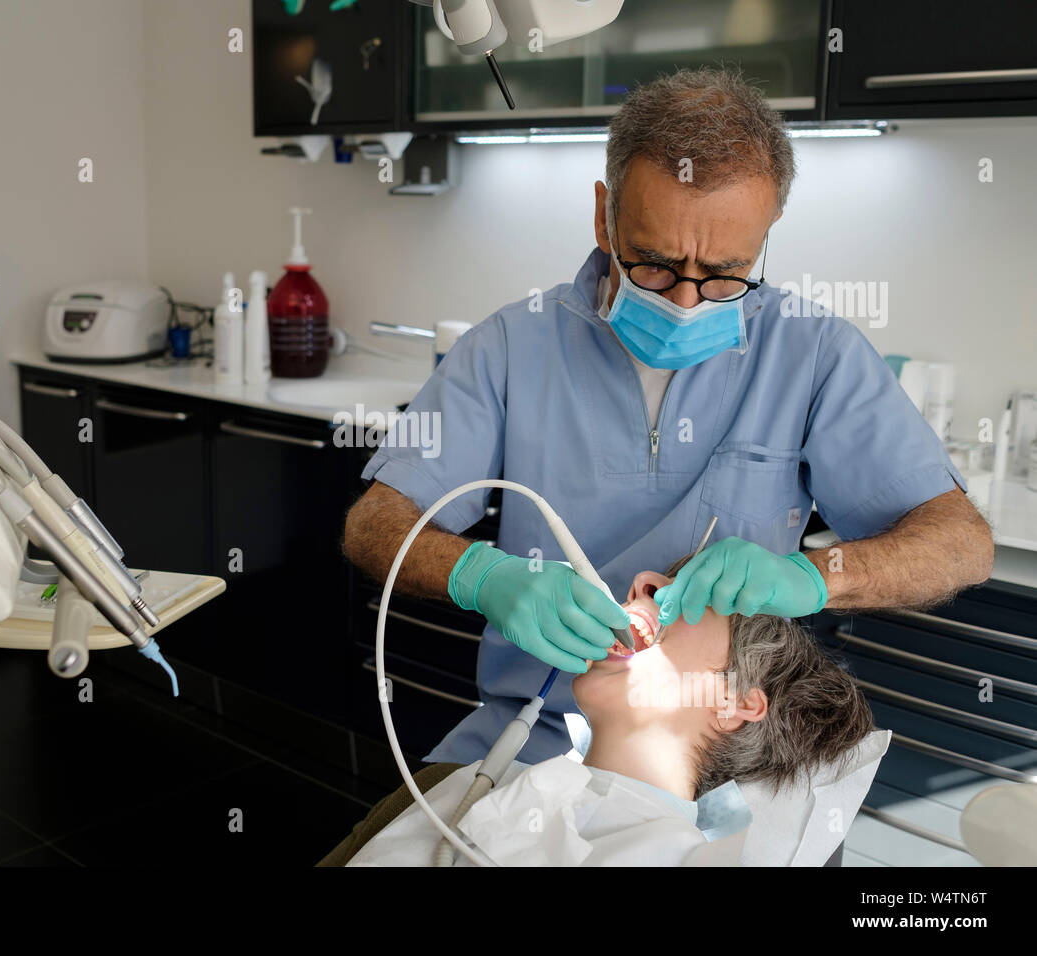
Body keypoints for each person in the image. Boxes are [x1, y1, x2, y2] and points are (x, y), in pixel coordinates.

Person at [342, 67, 992, 768]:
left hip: (727, 761)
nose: (686, 301)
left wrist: (813, 575)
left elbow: (961, 542)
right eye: (654, 266)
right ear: (604, 216)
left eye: (722, 273)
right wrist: (483, 576)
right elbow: (374, 523)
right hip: (530, 741)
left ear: (765, 238)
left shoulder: (813, 355)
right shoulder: (509, 347)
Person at [318, 558, 874, 866]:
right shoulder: (453, 786)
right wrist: (474, 573)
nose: (644, 583)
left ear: (733, 701)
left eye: (688, 592)